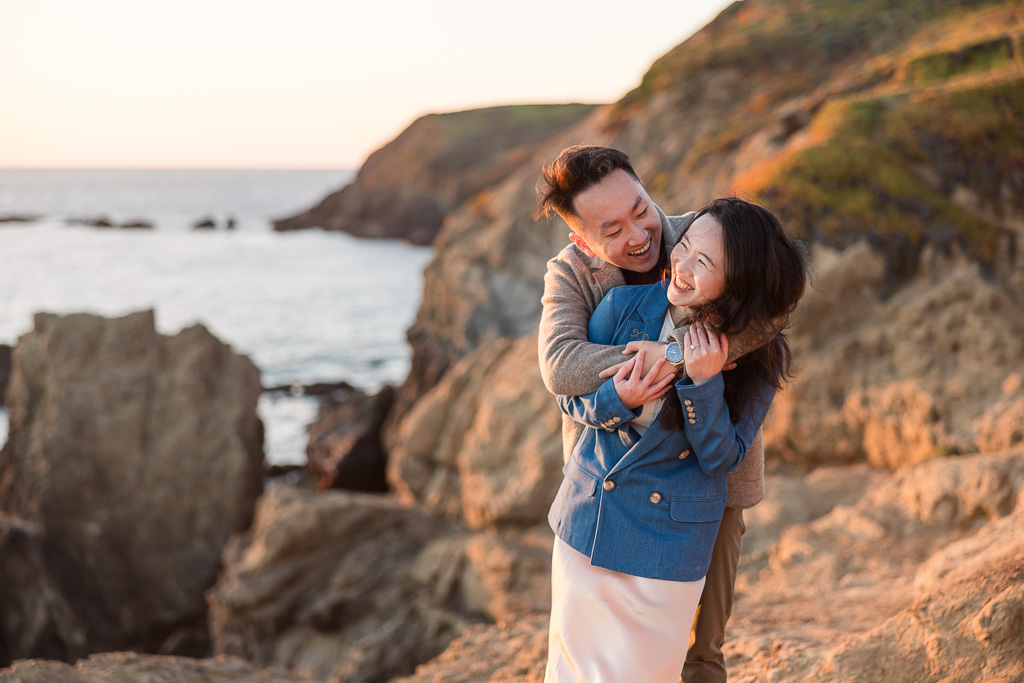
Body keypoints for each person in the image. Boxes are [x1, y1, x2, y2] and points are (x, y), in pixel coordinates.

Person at [542, 195, 808, 681]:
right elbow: (569, 397)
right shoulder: (621, 305)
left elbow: (721, 458)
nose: (680, 264)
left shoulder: (755, 360)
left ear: (739, 281)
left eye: (702, 262)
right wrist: (617, 398)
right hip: (592, 521)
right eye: (682, 247)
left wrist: (703, 385)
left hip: (670, 543)